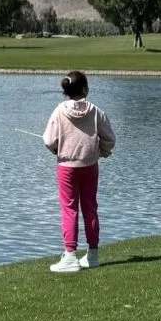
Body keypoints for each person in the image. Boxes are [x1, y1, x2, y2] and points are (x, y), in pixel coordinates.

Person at [42, 70, 115, 273]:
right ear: (84, 89)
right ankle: (93, 255)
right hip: (90, 166)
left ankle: (70, 255)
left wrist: (56, 150)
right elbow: (109, 138)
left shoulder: (59, 111)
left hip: (66, 167)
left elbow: (48, 140)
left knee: (69, 209)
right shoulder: (95, 111)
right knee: (90, 207)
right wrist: (102, 152)